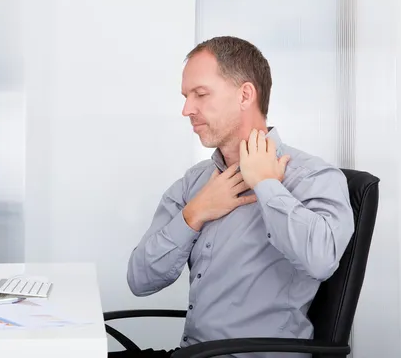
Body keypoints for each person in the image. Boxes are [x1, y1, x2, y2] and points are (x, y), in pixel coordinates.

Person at [110, 36, 354, 358]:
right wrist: (194, 215)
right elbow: (140, 280)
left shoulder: (312, 178)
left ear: (245, 95)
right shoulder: (194, 184)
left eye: (200, 94)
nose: (186, 110)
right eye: (186, 96)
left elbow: (322, 260)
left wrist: (266, 185)